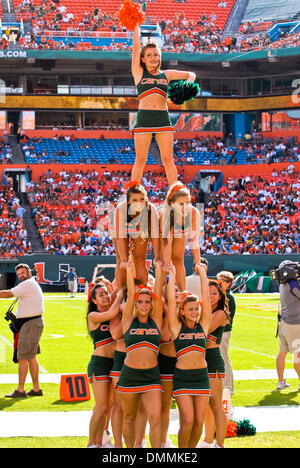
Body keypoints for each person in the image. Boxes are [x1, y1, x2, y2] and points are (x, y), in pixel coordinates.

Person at [131, 25, 196, 185]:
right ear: (142, 59)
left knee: (168, 159)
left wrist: (187, 86)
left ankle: (175, 191)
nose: (153, 58)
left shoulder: (165, 74)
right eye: (149, 55)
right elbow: (135, 48)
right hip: (144, 119)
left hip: (162, 119)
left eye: (156, 55)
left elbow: (191, 74)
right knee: (140, 160)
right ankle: (133, 194)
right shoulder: (139, 73)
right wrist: (136, 26)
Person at [117, 260, 164, 448]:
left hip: (151, 376)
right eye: (140, 301)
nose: (144, 304)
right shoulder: (128, 320)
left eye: (147, 301)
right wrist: (129, 271)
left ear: (151, 305)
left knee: (155, 418)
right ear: (135, 303)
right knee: (129, 418)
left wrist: (159, 271)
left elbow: (158, 294)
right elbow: (129, 295)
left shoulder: (156, 321)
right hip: (130, 375)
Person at [166, 262, 212, 448]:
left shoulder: (204, 326)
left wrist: (202, 274)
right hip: (183, 378)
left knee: (199, 424)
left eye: (196, 309)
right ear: (183, 311)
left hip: (202, 377)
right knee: (188, 421)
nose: (195, 312)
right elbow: (170, 301)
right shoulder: (176, 328)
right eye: (190, 309)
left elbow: (206, 299)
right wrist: (172, 275)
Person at [86, 282, 124, 448]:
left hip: (115, 363)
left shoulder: (114, 315)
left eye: (106, 293)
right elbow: (114, 310)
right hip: (100, 364)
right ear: (94, 300)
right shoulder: (93, 316)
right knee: (101, 407)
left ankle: (101, 441)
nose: (105, 296)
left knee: (109, 407)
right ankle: (91, 443)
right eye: (100, 294)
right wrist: (120, 294)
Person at [2, 264, 44, 398]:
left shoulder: (28, 284)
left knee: (23, 357)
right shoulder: (30, 284)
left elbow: (8, 293)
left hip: (30, 324)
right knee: (31, 357)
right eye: (19, 274)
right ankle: (36, 388)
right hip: (32, 322)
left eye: (23, 273)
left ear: (28, 273)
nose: (21, 275)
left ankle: (20, 390)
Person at [199, 279, 230, 449]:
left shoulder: (220, 314)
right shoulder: (201, 310)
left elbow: (204, 329)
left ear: (220, 296)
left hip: (212, 360)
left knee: (216, 405)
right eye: (208, 292)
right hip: (200, 360)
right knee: (206, 406)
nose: (211, 296)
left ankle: (220, 444)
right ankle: (207, 440)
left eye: (214, 293)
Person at [115, 181, 161, 285]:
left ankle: (142, 288)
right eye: (134, 200)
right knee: (121, 261)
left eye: (141, 199)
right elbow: (120, 237)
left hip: (140, 228)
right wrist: (124, 260)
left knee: (140, 260)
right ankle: (121, 291)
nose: (139, 203)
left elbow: (155, 236)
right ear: (129, 201)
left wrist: (157, 257)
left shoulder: (151, 209)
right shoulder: (121, 209)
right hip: (121, 229)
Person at [160, 181, 202, 291]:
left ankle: (182, 292)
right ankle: (163, 292)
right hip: (161, 235)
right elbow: (167, 241)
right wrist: (167, 264)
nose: (185, 207)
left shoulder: (194, 213)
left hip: (179, 233)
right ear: (172, 204)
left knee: (178, 259)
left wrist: (198, 264)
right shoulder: (166, 214)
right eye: (181, 204)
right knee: (163, 263)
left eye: (187, 202)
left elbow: (194, 240)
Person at [276, 260, 300, 391]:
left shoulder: (282, 283)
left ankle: (281, 381)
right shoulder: (292, 283)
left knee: (282, 352)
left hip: (284, 322)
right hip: (295, 323)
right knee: (298, 353)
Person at [216, 270, 236, 396]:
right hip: (220, 331)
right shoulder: (222, 294)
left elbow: (228, 318)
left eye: (222, 281)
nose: (220, 283)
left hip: (223, 331)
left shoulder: (228, 297)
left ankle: (228, 387)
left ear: (229, 283)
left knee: (224, 359)